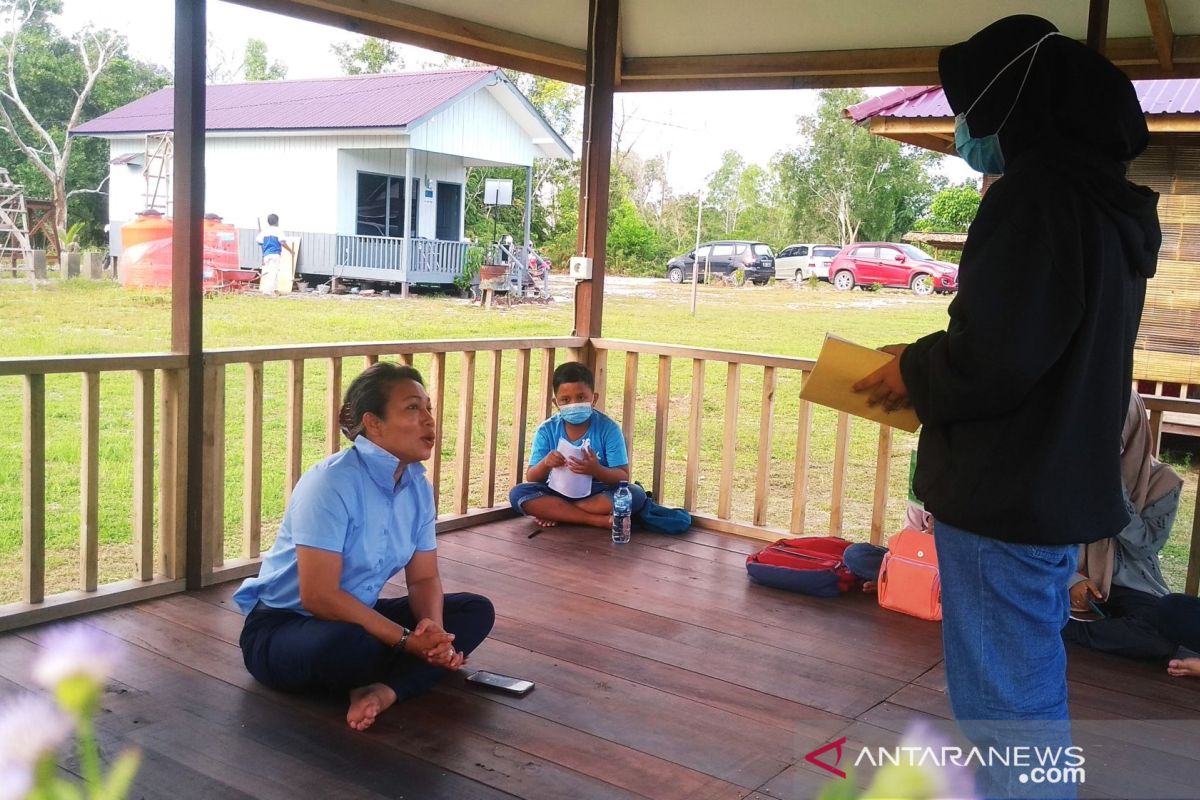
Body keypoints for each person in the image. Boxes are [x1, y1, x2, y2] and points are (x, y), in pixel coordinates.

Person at [853, 14, 1160, 799]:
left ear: (1011, 104)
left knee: (1003, 710)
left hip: (1005, 496)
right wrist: (929, 360)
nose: (963, 129)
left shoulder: (1034, 198)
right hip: (1055, 489)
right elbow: (1035, 337)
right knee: (1028, 688)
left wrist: (913, 370)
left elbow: (997, 359)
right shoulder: (1106, 205)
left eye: (967, 108)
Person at [234, 363, 495, 731]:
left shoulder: (417, 487)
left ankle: (382, 690)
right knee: (350, 644)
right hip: (286, 629)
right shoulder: (331, 482)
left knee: (474, 611)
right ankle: (397, 675)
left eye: (428, 408)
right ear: (373, 423)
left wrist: (433, 634)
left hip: (358, 617)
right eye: (412, 408)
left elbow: (422, 579)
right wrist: (407, 642)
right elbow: (319, 597)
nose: (429, 420)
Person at [1063, 392, 1182, 660]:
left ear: (1133, 426)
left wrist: (1111, 489)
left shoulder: (1163, 482)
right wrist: (1071, 582)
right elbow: (1046, 536)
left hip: (1132, 586)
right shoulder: (1067, 469)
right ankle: (1070, 624)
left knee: (1160, 639)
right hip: (1071, 578)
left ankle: (1067, 630)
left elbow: (1145, 545)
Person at [508, 361, 646, 529]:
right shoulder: (547, 430)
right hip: (556, 492)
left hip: (596, 493)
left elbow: (623, 476)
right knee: (518, 494)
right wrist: (546, 463)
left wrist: (596, 470)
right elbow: (532, 477)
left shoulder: (608, 429)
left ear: (594, 398)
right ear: (556, 403)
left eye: (581, 397)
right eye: (565, 400)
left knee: (635, 494)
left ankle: (558, 513)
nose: (573, 404)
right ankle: (594, 520)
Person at [255, 213, 295, 296]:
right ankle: (267, 292)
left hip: (266, 255)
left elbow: (259, 241)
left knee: (271, 272)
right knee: (273, 273)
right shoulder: (278, 231)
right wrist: (290, 250)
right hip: (275, 254)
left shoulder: (264, 231)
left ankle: (275, 290)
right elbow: (282, 242)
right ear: (277, 221)